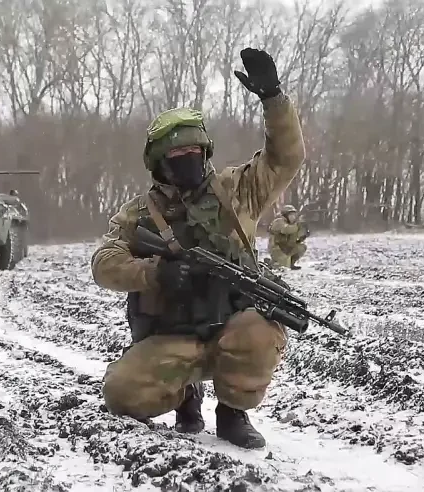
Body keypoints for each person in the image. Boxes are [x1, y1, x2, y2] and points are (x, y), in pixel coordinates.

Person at [90, 48, 305, 449]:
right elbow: (104, 263)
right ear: (159, 163)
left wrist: (273, 99)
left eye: (194, 153)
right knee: (120, 394)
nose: (188, 161)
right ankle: (186, 394)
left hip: (232, 327)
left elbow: (285, 158)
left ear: (205, 153)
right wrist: (153, 273)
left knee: (260, 334)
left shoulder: (237, 190)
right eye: (177, 156)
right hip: (174, 336)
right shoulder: (139, 213)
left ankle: (232, 412)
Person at [268, 204, 307, 269]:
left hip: (286, 247)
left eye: (294, 215)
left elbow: (295, 237)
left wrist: (302, 236)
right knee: (282, 268)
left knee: (301, 247)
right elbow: (286, 230)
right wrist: (298, 226)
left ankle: (291, 263)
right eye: (291, 215)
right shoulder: (278, 221)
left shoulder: (292, 224)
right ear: (285, 215)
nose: (293, 217)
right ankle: (272, 263)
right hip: (277, 249)